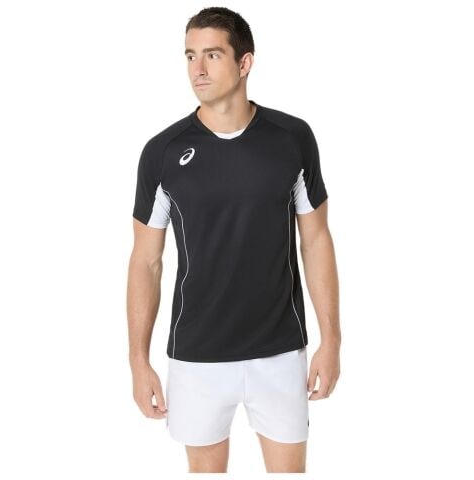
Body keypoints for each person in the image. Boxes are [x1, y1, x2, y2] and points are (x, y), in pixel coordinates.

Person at [127, 6, 341, 474]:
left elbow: (316, 241)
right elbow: (146, 261)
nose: (197, 69)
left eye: (212, 55)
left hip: (280, 350)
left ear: (245, 63)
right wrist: (138, 361)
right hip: (197, 354)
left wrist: (332, 340)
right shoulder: (162, 153)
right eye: (189, 56)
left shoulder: (292, 138)